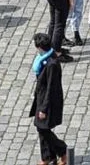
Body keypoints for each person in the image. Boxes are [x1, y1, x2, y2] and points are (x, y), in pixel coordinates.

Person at [30, 32, 68, 165]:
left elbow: (51, 88)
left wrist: (43, 109)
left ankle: (61, 149)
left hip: (49, 102)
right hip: (41, 98)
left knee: (42, 128)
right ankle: (47, 156)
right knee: (41, 128)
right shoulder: (44, 59)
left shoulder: (51, 63)